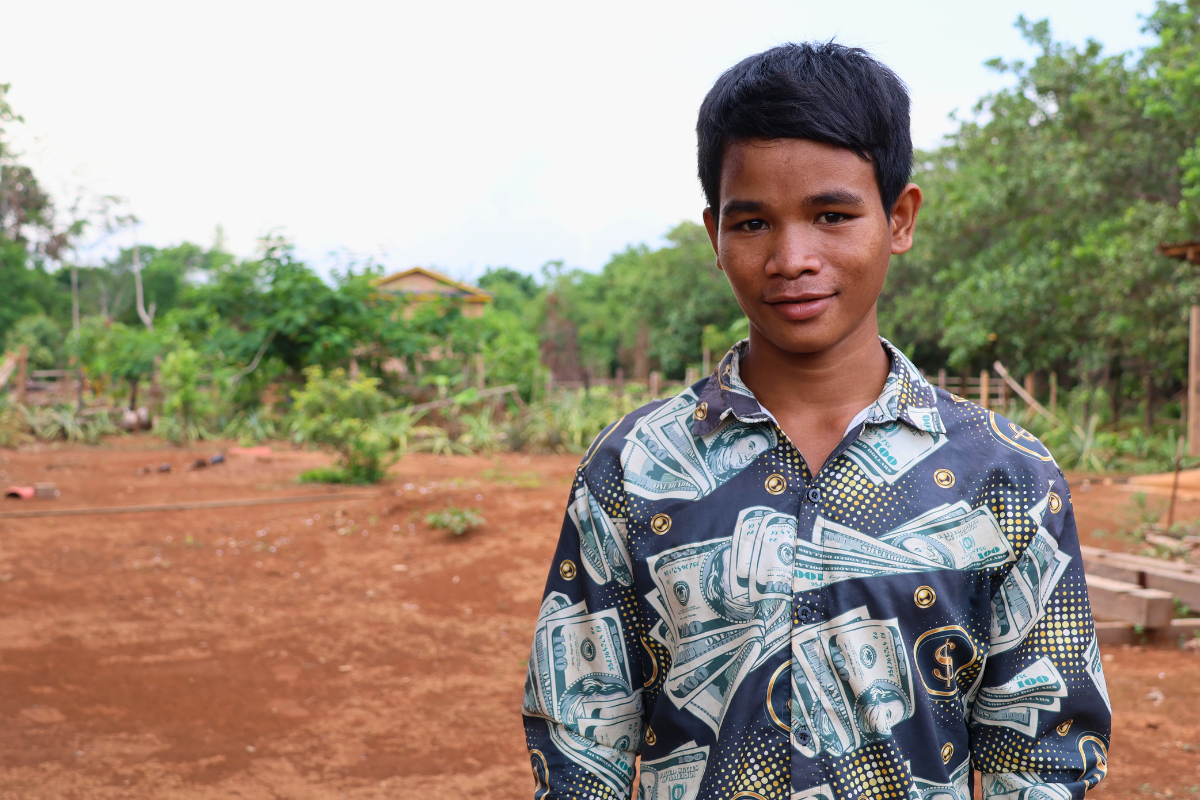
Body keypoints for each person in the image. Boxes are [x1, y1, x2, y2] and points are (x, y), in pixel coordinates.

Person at [522, 41, 1110, 799]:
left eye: (832, 215)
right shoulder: (633, 468)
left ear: (899, 218)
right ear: (714, 234)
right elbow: (581, 747)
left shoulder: (1006, 477)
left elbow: (1044, 758)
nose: (792, 257)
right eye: (753, 224)